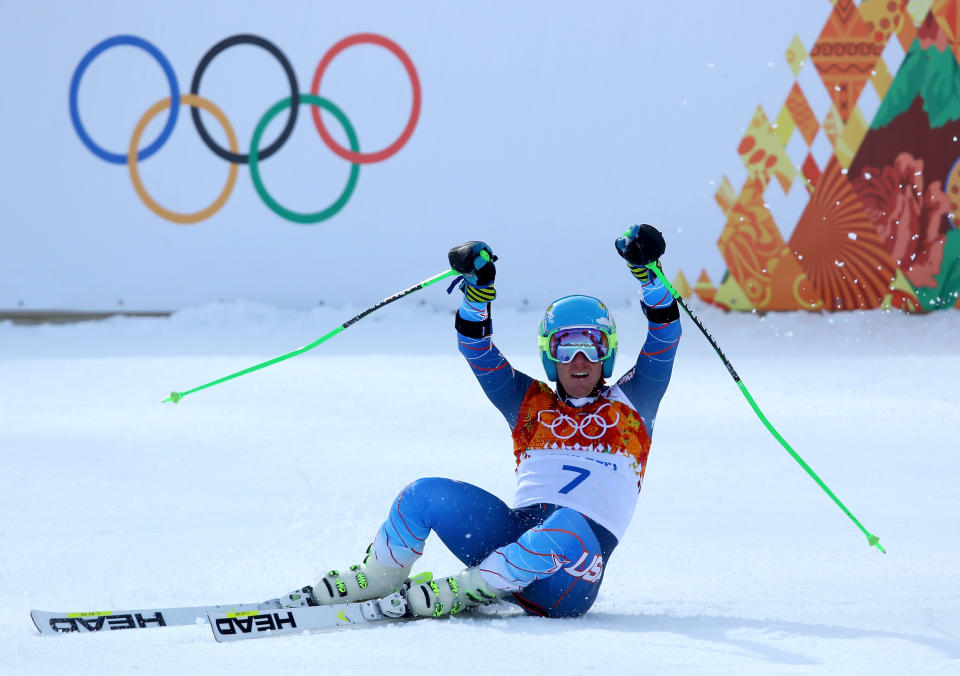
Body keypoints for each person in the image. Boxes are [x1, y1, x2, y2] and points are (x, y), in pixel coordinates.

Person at [269, 225, 682, 618]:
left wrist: (647, 274)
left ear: (607, 353)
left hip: (569, 579)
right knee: (422, 494)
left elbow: (665, 332)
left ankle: (471, 587)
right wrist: (478, 293)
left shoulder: (634, 400)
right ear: (548, 354)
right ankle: (380, 575)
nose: (579, 361)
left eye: (591, 347)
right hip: (512, 540)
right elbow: (476, 348)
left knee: (568, 523)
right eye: (565, 347)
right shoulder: (528, 402)